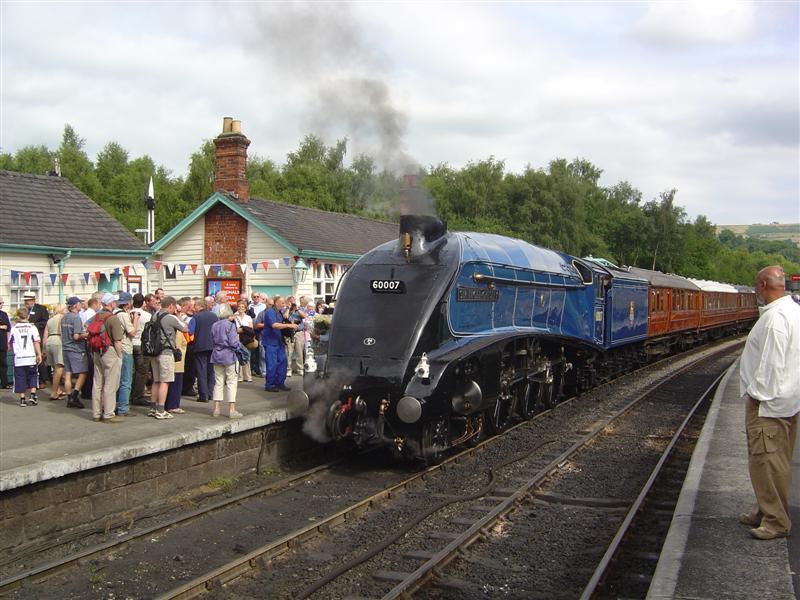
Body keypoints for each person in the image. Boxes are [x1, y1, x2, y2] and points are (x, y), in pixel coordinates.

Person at [738, 265, 800, 540]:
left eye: (756, 284)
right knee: (776, 461)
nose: (755, 289)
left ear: (764, 285)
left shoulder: (775, 318)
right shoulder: (793, 311)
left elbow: (772, 364)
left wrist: (758, 394)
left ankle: (776, 521)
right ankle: (763, 509)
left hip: (770, 404)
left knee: (766, 462)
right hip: (788, 398)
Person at [148, 296, 186, 419]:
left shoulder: (154, 316)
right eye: (174, 307)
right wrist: (178, 315)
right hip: (166, 352)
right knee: (165, 381)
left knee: (156, 380)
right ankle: (161, 410)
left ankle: (153, 408)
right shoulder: (171, 318)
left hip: (154, 352)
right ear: (171, 306)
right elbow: (186, 328)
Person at [90, 293, 126, 423]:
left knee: (97, 383)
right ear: (111, 304)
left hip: (96, 351)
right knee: (110, 384)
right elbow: (117, 341)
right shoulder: (113, 318)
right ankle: (108, 414)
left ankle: (96, 413)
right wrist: (120, 356)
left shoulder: (96, 316)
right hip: (109, 351)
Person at [210, 303, 243, 418]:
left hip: (216, 354)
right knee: (231, 382)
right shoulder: (230, 326)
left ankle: (216, 409)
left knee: (218, 382)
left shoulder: (214, 325)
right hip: (229, 355)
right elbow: (233, 343)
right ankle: (231, 410)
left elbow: (212, 339)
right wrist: (239, 348)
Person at [8, 307, 42, 406]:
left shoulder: (14, 328)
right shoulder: (32, 327)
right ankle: (32, 394)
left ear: (18, 316)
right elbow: (36, 342)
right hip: (30, 356)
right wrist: (39, 354)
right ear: (27, 316)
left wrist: (14, 349)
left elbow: (9, 344)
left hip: (19, 357)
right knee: (33, 375)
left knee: (20, 377)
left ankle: (22, 398)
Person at [263, 296, 298, 392]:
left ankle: (280, 383)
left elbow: (283, 320)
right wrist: (289, 325)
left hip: (279, 341)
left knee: (283, 363)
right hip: (270, 342)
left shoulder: (279, 312)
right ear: (276, 303)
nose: (284, 305)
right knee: (272, 365)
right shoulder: (270, 312)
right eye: (282, 303)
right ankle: (270, 385)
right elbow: (274, 325)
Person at [61, 296, 88, 408]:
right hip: (76, 348)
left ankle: (69, 397)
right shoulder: (76, 318)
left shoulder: (64, 317)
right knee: (83, 372)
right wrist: (87, 334)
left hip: (65, 347)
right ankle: (75, 395)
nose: (81, 305)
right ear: (75, 305)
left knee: (68, 373)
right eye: (79, 303)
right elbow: (76, 336)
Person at [189, 297, 217, 402]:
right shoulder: (214, 316)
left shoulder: (196, 317)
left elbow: (190, 331)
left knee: (201, 371)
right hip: (212, 345)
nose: (194, 307)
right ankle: (210, 393)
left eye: (195, 305)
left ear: (200, 306)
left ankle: (203, 395)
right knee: (211, 371)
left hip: (200, 346)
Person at [114, 292, 137, 417]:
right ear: (128, 303)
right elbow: (132, 332)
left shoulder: (114, 313)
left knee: (117, 379)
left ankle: (115, 404)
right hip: (125, 348)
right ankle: (123, 407)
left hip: (115, 348)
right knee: (126, 380)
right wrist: (135, 319)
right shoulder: (123, 315)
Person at [166, 299, 190, 414]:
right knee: (176, 382)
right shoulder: (175, 322)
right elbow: (185, 327)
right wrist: (179, 316)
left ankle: (168, 404)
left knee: (170, 381)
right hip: (178, 356)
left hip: (175, 355)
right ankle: (173, 405)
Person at [23, 291, 50, 389]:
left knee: (40, 358)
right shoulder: (24, 310)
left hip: (38, 336)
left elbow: (46, 322)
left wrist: (34, 325)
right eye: (25, 301)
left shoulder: (41, 309)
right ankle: (30, 380)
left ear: (33, 300)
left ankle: (43, 379)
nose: (27, 302)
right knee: (29, 359)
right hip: (27, 338)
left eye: (28, 300)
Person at [130, 293, 151, 406]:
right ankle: (138, 396)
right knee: (141, 371)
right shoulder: (147, 315)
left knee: (131, 371)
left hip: (130, 343)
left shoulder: (128, 313)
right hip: (141, 344)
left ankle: (129, 394)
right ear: (143, 302)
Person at [43, 303, 67, 400]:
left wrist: (44, 348)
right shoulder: (62, 318)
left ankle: (58, 390)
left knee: (54, 368)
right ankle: (54, 392)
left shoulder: (50, 320)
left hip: (49, 341)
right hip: (58, 340)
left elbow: (45, 335)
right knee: (59, 368)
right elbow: (61, 330)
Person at [234, 299, 254, 382]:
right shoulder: (234, 317)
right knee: (238, 356)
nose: (241, 308)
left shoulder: (248, 317)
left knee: (246, 356)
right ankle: (240, 376)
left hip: (246, 339)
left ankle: (247, 376)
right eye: (239, 307)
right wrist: (243, 329)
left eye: (243, 307)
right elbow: (233, 329)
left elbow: (251, 328)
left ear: (245, 309)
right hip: (237, 338)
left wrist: (242, 330)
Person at [0, 297, 12, 389]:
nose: (2, 304)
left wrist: (8, 342)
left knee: (3, 363)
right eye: (0, 303)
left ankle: (4, 383)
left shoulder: (4, 314)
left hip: (2, 342)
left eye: (2, 302)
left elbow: (8, 328)